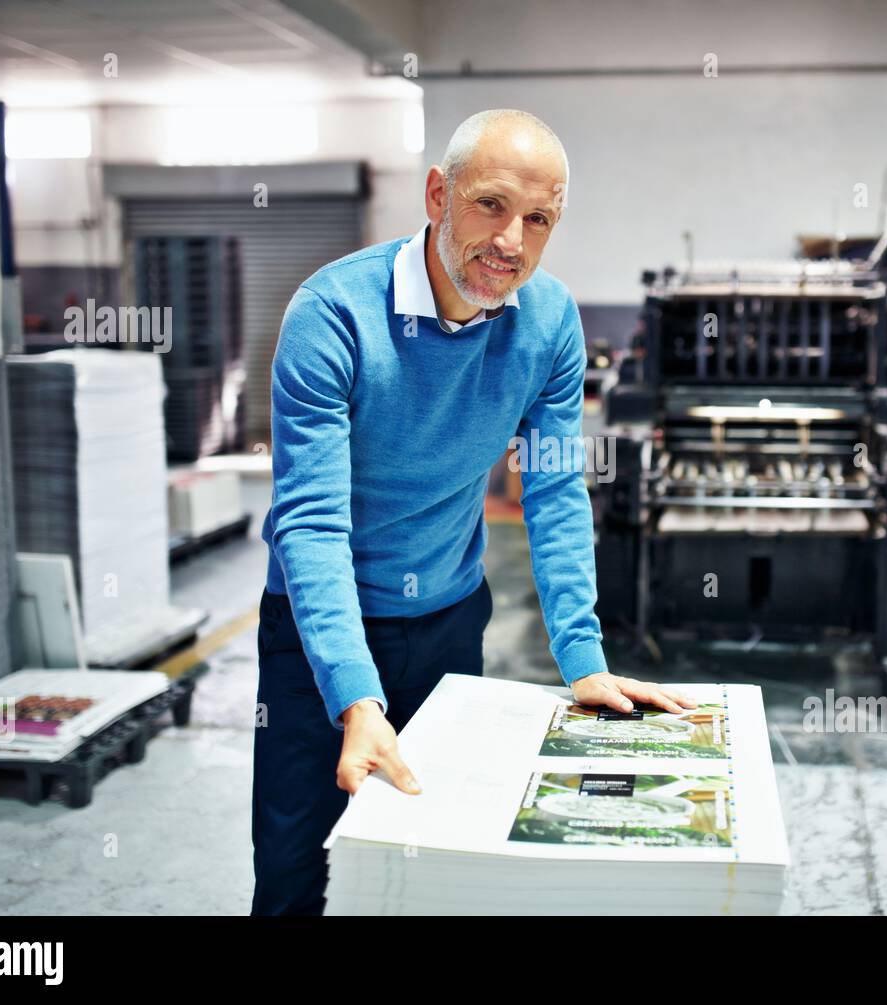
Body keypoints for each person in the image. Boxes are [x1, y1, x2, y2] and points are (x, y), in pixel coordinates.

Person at [251, 108, 695, 915]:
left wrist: (582, 656)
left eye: (539, 219)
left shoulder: (551, 323)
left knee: (431, 862)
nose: (512, 242)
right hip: (315, 628)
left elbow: (556, 491)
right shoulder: (333, 316)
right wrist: (355, 697)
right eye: (491, 204)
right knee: (298, 872)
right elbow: (311, 523)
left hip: (451, 620)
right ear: (436, 195)